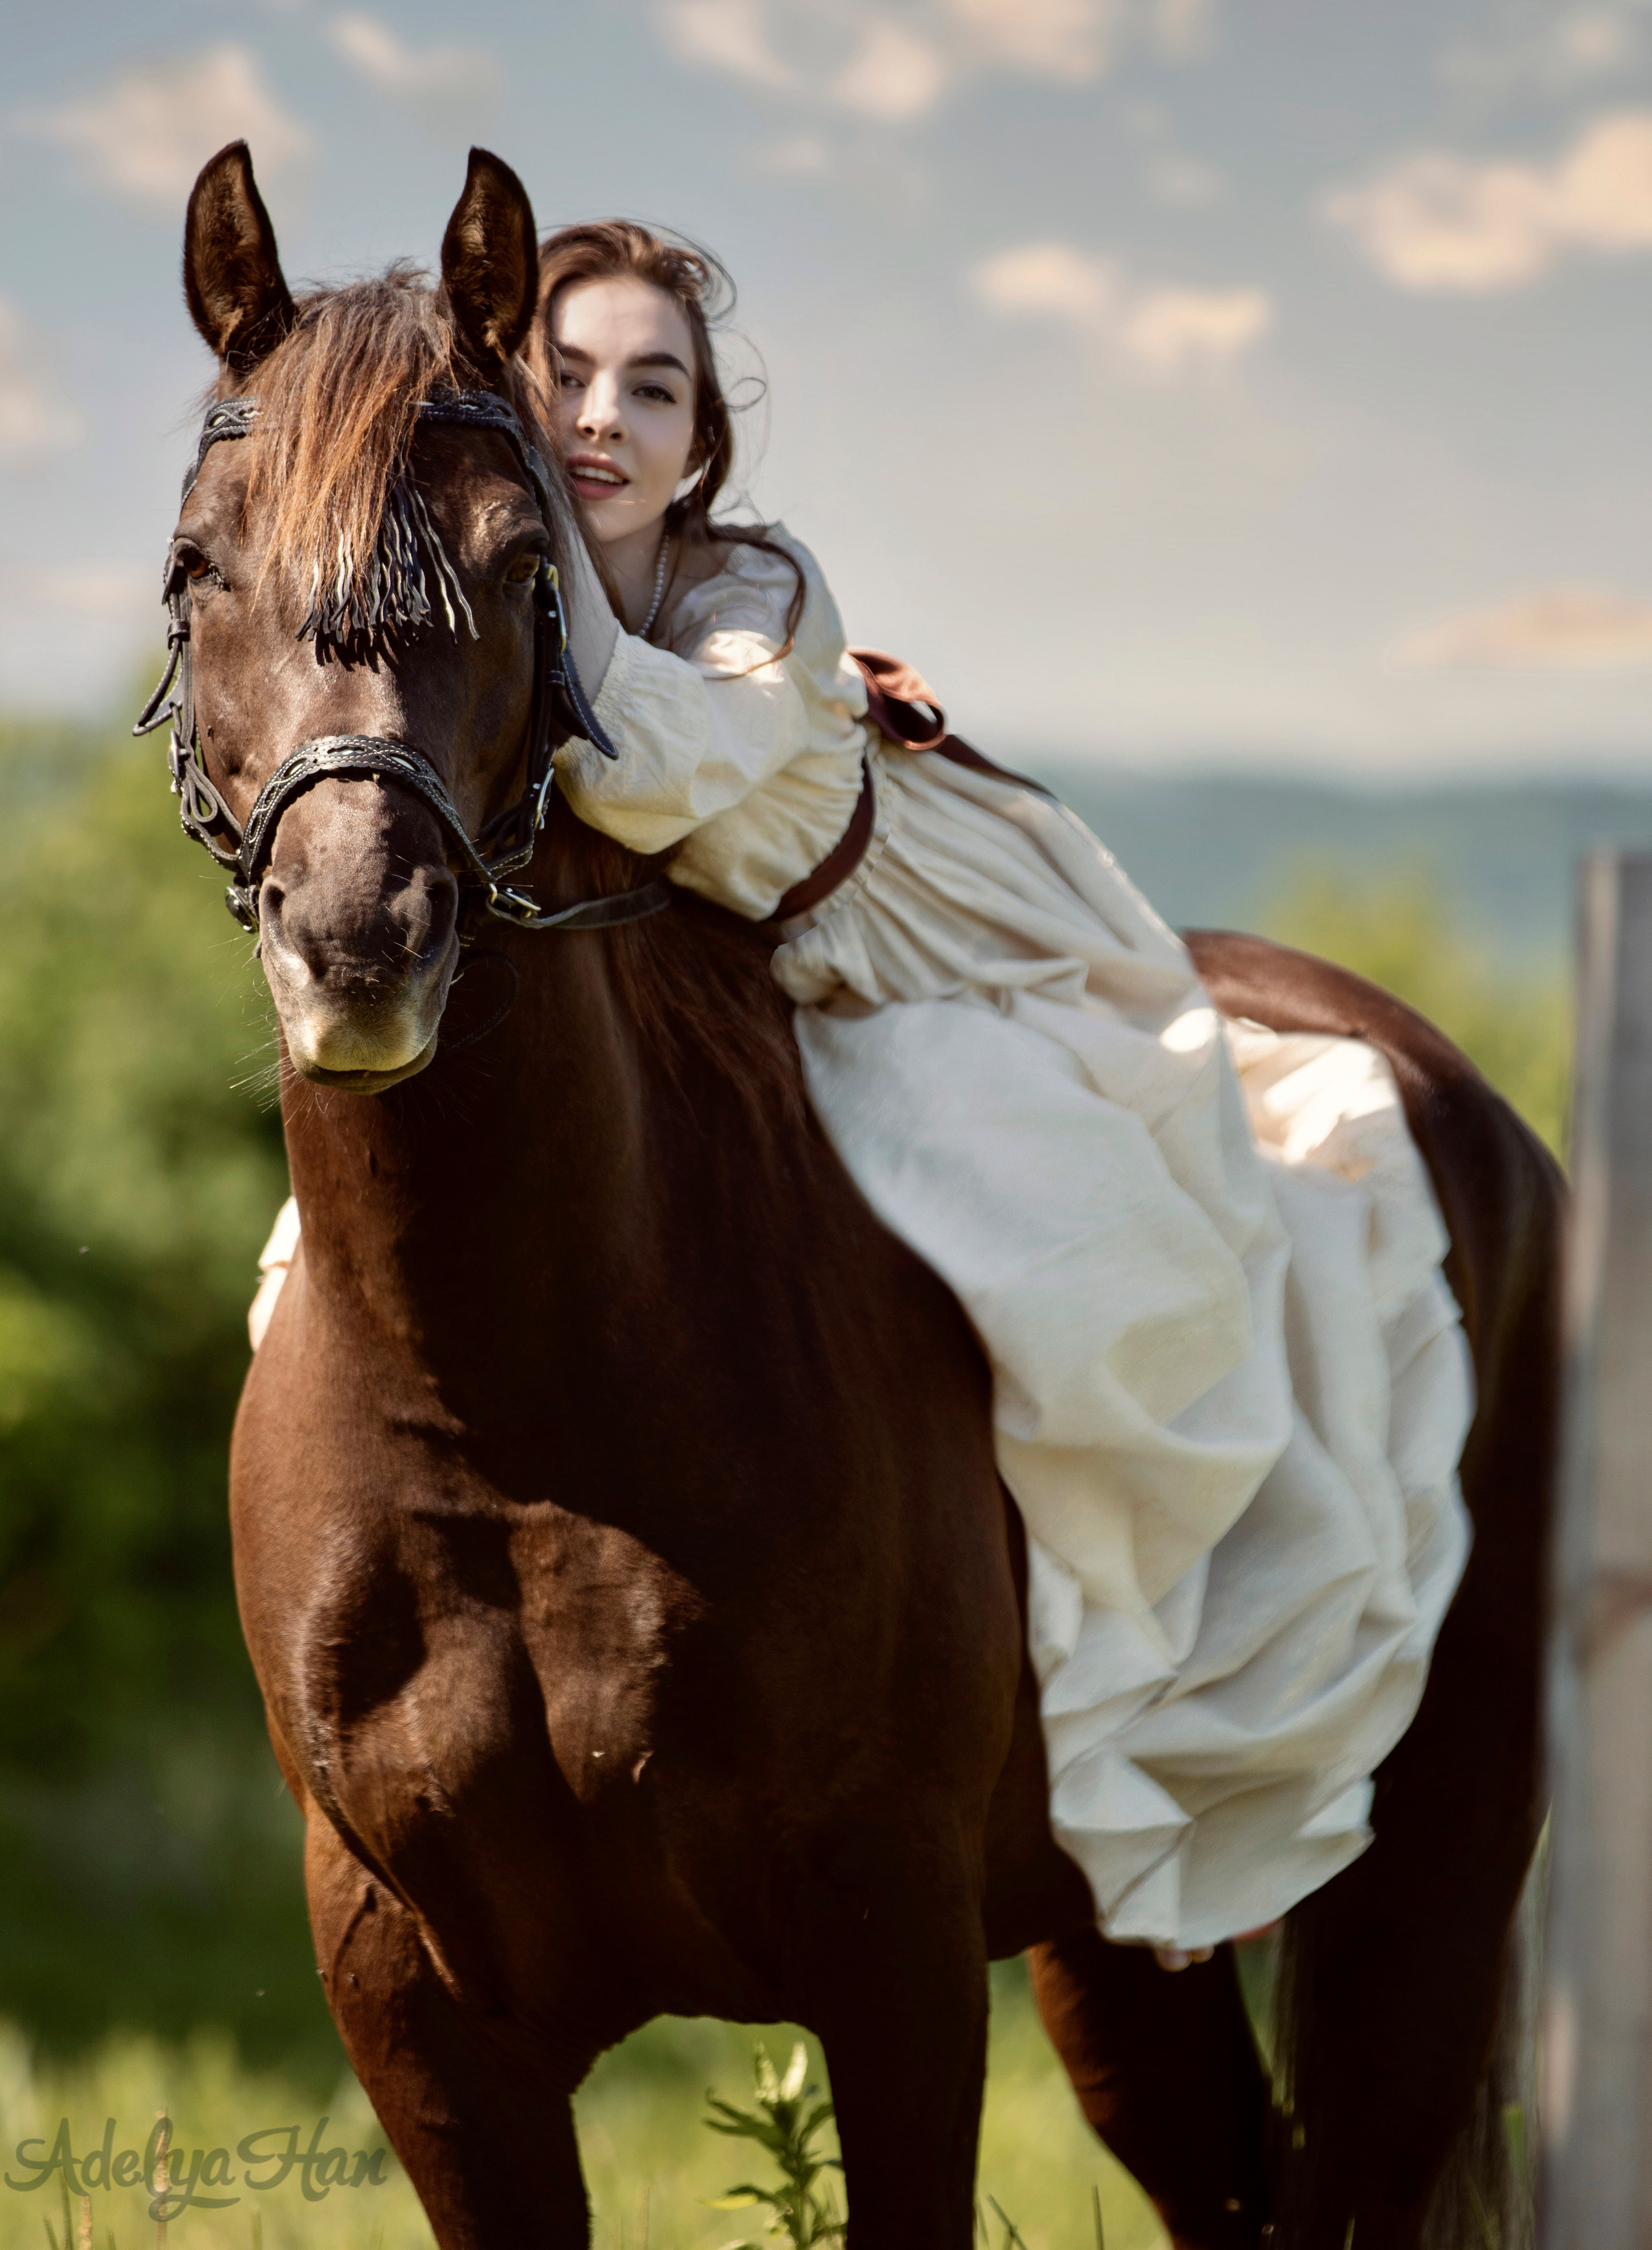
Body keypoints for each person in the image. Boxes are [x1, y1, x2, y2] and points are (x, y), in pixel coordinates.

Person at [254, 220, 1473, 1965]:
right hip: (690, 991)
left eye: (653, 390)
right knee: (318, 1263)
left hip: (888, 945)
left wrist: (517, 585)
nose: (602, 418)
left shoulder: (752, 588)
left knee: (1071, 1225)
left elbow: (663, 765)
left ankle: (1162, 1619)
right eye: (566, 378)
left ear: (703, 439)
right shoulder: (480, 564)